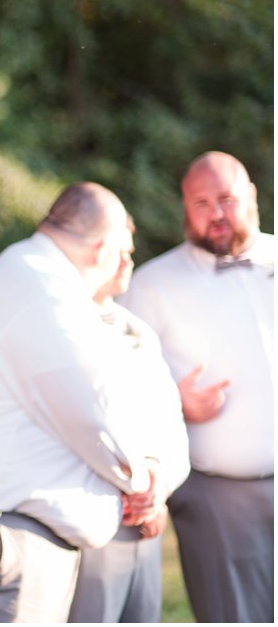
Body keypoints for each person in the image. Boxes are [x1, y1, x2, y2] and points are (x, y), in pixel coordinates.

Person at [0, 182, 163, 623]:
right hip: (1, 540)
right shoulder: (40, 288)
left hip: (8, 536)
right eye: (124, 248)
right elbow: (97, 419)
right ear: (104, 249)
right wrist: (143, 483)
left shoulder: (30, 276)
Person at [119, 151, 273, 623]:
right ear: (185, 209)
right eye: (201, 203)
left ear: (251, 197)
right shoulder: (149, 285)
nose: (216, 214)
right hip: (218, 493)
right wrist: (176, 403)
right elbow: (118, 387)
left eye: (226, 199)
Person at [67, 218, 190, 623]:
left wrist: (159, 482)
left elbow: (168, 419)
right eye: (117, 252)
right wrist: (135, 484)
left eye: (130, 253)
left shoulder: (139, 330)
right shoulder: (59, 325)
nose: (127, 263)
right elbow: (79, 419)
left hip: (147, 514)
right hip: (95, 512)